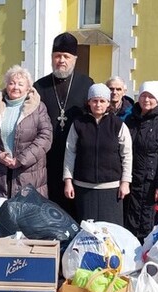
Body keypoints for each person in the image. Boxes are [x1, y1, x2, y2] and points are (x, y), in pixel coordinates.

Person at [34, 32, 94, 218]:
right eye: (57, 56)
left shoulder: (87, 84)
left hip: (77, 157)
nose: (61, 60)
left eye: (66, 56)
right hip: (47, 157)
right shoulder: (40, 86)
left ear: (74, 59)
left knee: (75, 207)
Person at [0, 65, 52, 198]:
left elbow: (45, 137)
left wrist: (21, 160)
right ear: (6, 86)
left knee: (27, 216)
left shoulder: (38, 107)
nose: (15, 87)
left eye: (20, 84)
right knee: (1, 215)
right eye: (11, 83)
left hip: (29, 175)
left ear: (28, 87)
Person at [63, 84, 132, 225]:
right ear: (89, 102)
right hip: (83, 187)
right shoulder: (78, 124)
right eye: (94, 100)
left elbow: (127, 154)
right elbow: (70, 152)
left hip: (111, 188)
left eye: (102, 101)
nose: (98, 104)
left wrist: (125, 182)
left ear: (108, 103)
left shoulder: (118, 125)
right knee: (87, 233)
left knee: (111, 233)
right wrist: (68, 181)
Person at [124, 81, 158, 242]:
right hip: (132, 179)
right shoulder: (131, 119)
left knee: (149, 222)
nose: (146, 100)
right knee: (130, 220)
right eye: (143, 95)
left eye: (151, 96)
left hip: (152, 183)